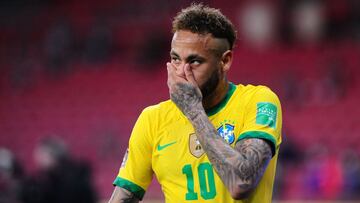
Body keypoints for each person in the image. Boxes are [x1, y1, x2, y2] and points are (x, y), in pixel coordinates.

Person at [108, 3, 282, 203]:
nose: (182, 71)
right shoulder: (153, 119)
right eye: (175, 59)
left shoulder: (257, 101)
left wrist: (194, 111)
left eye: (195, 61)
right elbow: (123, 197)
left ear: (225, 61)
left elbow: (241, 182)